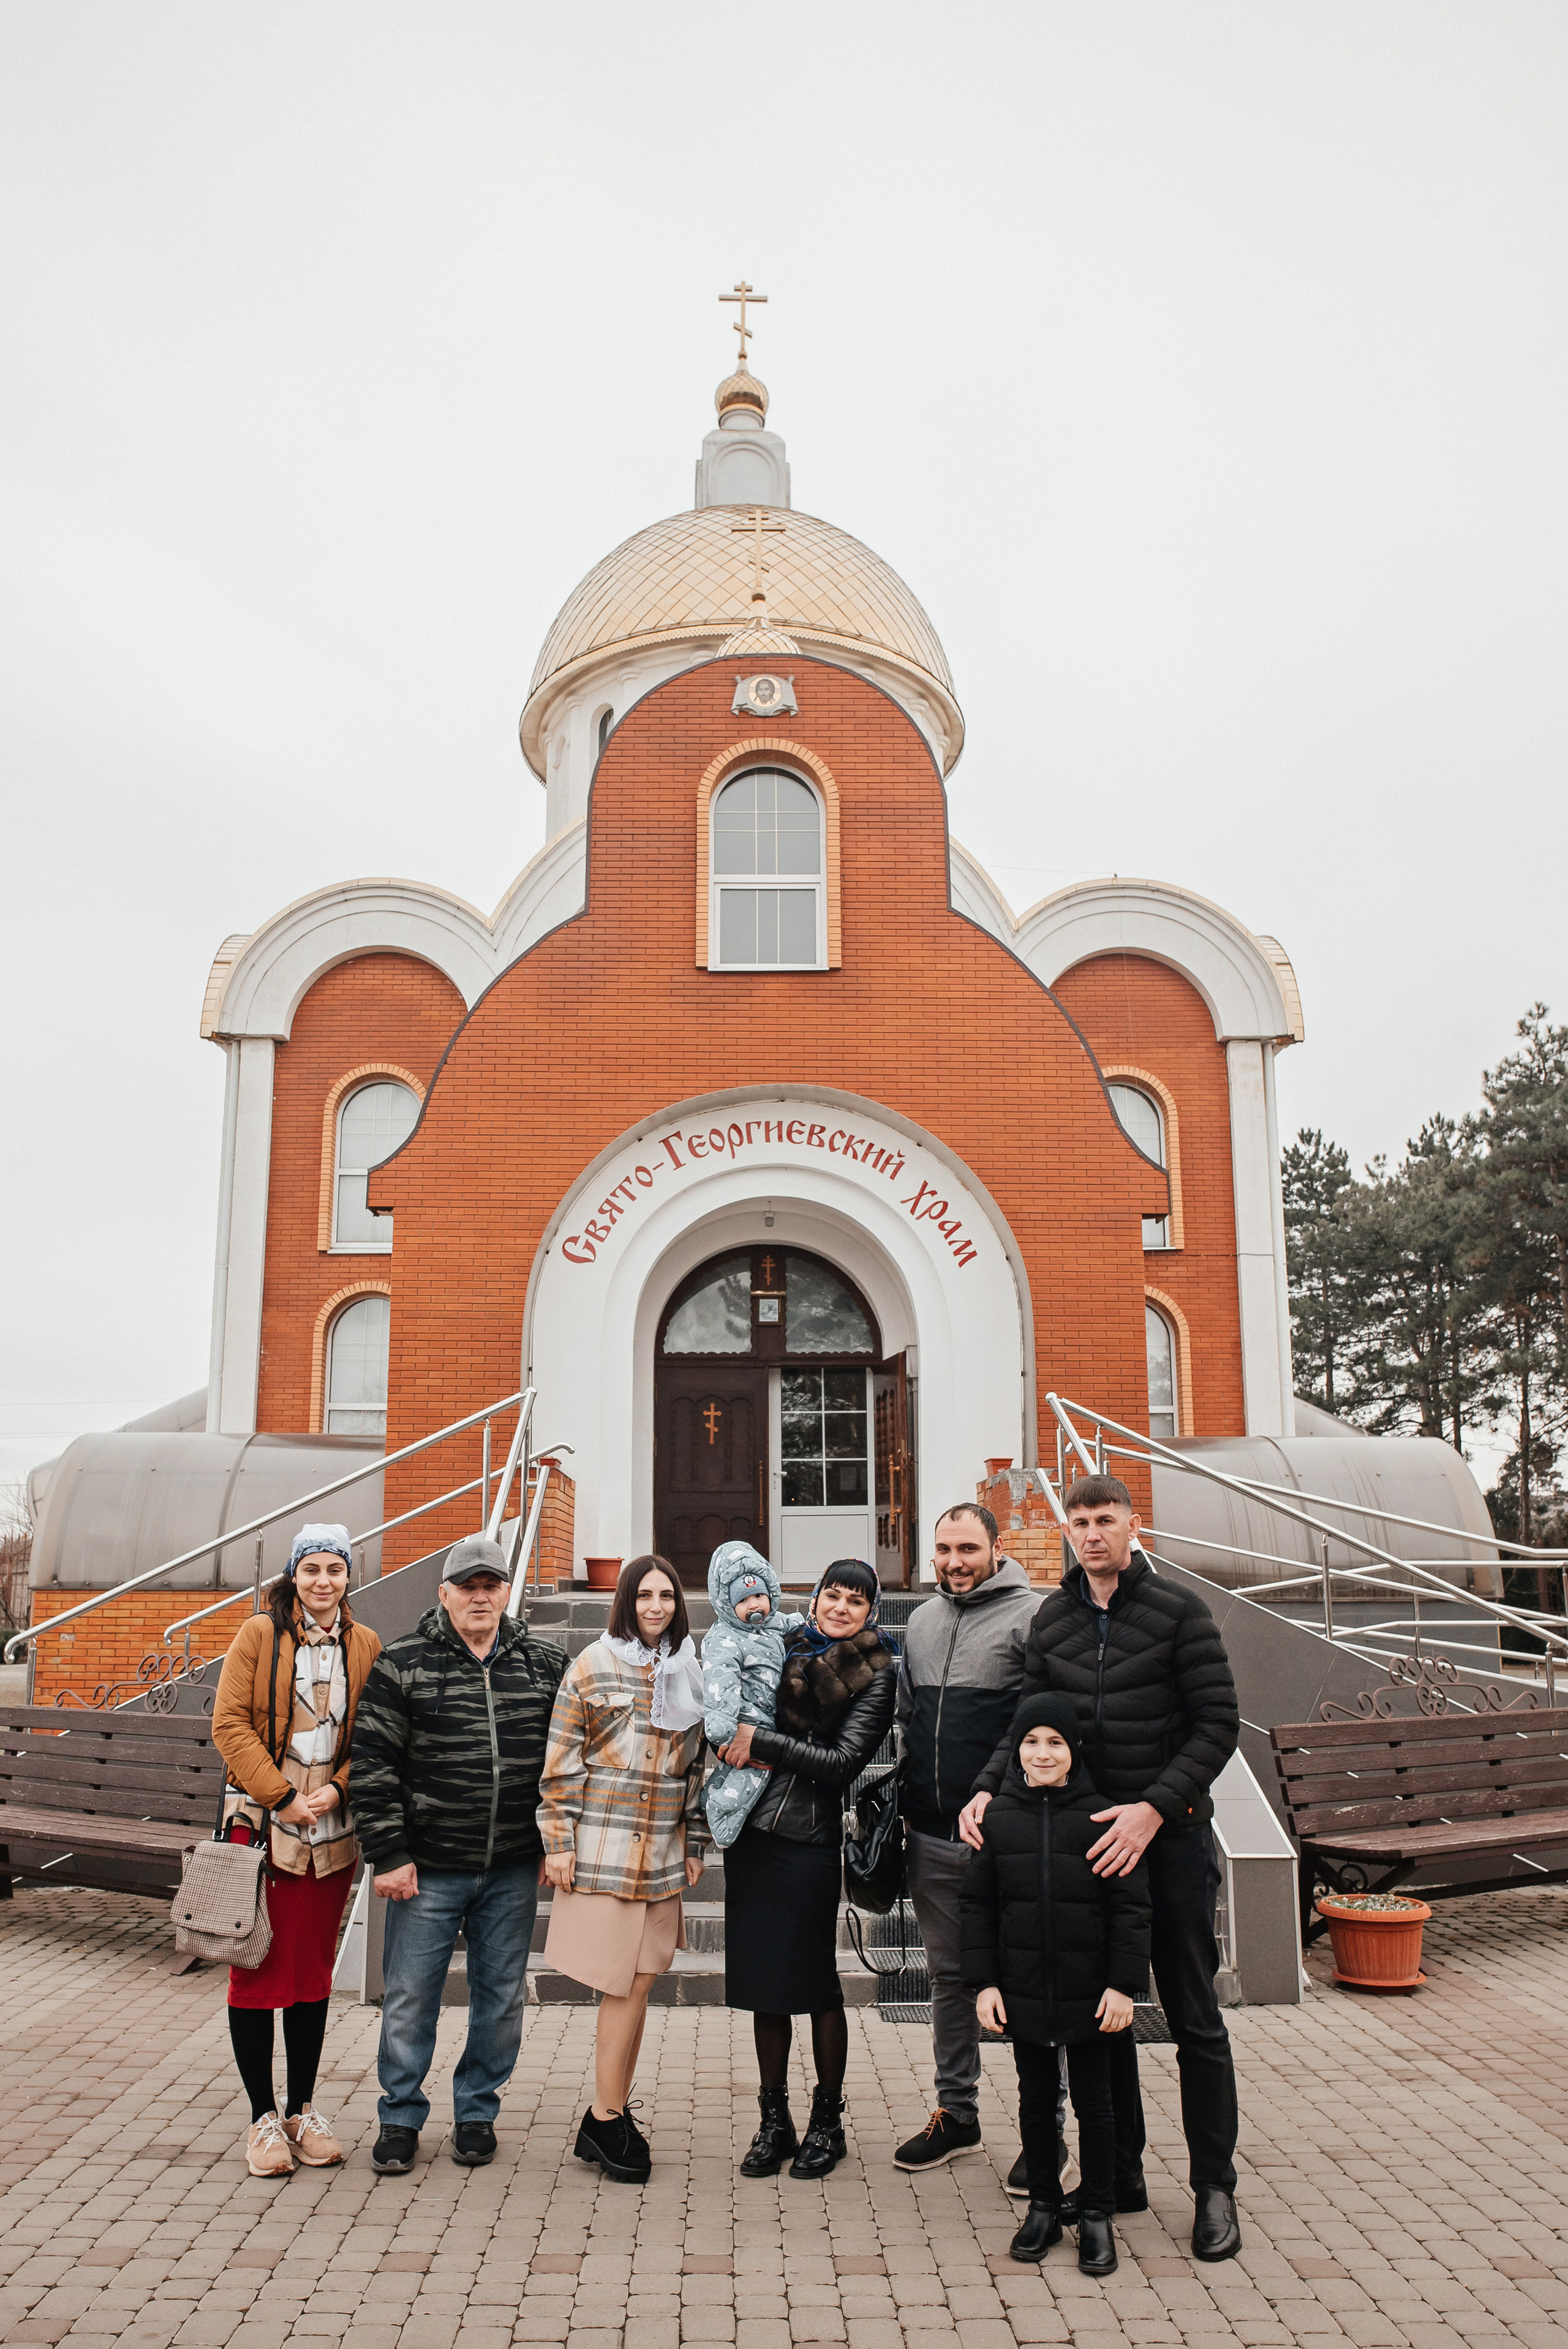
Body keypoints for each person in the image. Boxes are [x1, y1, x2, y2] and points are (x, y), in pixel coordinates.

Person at [960, 1474, 1244, 2263]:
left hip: (1170, 1841)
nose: (1091, 1534)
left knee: (1192, 2018)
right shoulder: (1051, 1620)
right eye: (1079, 1522)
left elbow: (1217, 1724)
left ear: (1131, 1525)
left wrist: (1153, 1808)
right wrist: (987, 1789)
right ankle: (1118, 2176)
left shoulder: (1181, 1613)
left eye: (1105, 1520)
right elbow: (1029, 1723)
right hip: (1086, 1852)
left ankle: (1214, 2187)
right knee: (1102, 2017)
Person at [352, 1533, 568, 2176]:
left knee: (499, 1998)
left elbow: (569, 1762)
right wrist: (388, 1853)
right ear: (443, 1594)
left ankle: (476, 2113)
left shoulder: (544, 1664)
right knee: (411, 1996)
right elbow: (372, 1764)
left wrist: (555, 1842)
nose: (480, 1596)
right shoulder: (403, 1663)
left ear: (507, 1591)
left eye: (490, 1585)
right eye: (467, 1587)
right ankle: (399, 2117)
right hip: (427, 1869)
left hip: (510, 1868)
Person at [211, 1523, 382, 2177]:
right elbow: (228, 1723)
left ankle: (302, 2109)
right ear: (294, 1574)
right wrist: (283, 1797)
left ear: (347, 1576)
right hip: (262, 1826)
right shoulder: (260, 1634)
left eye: (334, 1570)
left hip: (330, 1833)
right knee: (255, 1969)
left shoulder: (363, 1644)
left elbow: (370, 1736)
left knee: (310, 1976)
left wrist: (337, 1793)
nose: (322, 1582)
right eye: (311, 1569)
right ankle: (262, 2116)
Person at [720, 1559, 897, 2181]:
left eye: (856, 1599)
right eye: (832, 1595)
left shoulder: (875, 1672)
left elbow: (841, 1764)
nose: (840, 1607)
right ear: (814, 1598)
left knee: (816, 1985)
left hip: (808, 1842)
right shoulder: (777, 1643)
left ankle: (828, 2122)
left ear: (870, 1612)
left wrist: (760, 1742)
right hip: (748, 1835)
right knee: (762, 1985)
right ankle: (775, 2121)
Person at [962, 1695, 1150, 2277]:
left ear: (1075, 1752)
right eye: (1031, 1742)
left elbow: (1131, 1909)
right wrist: (985, 1984)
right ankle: (1042, 2205)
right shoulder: (997, 1819)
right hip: (1022, 1989)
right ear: (1016, 1750)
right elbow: (977, 1906)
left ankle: (1096, 2211)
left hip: (1090, 1993)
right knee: (1036, 2101)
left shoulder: (1102, 1816)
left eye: (1056, 1743)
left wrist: (1123, 1986)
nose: (1043, 1754)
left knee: (1096, 2106)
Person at [537, 1554, 708, 2186]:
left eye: (667, 1595)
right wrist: (557, 1841)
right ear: (627, 1601)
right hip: (605, 1848)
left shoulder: (690, 1671)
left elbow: (696, 1770)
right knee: (619, 1984)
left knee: (642, 1983)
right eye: (645, 1596)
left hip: (661, 1852)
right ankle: (605, 2116)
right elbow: (561, 1761)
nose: (657, 1607)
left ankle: (608, 2112)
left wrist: (696, 1840)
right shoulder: (592, 1665)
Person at [892, 1503, 1042, 2182]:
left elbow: (1039, 1726)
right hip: (930, 1835)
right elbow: (906, 1719)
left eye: (966, 1548)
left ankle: (1047, 2134)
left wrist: (1003, 1798)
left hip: (1007, 1837)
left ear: (996, 1548)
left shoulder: (1031, 1617)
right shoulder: (919, 1621)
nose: (953, 1562)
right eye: (943, 1548)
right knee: (949, 1981)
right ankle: (958, 2115)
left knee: (1031, 1980)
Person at [699, 1542, 806, 1847]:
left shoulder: (775, 1622)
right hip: (748, 1715)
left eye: (759, 1596)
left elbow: (793, 1624)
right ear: (727, 1605)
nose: (754, 1605)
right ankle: (723, 1815)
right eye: (744, 1600)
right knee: (753, 1772)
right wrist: (722, 1722)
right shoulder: (724, 1638)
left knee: (737, 1768)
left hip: (772, 1708)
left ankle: (712, 1794)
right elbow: (721, 1681)